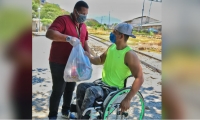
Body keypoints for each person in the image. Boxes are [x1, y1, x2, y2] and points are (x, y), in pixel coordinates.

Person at [76, 23, 144, 119]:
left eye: (114, 32)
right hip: (102, 84)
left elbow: (139, 78)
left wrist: (128, 99)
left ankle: (84, 118)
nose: (111, 34)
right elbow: (100, 60)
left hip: (113, 89)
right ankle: (80, 116)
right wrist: (89, 57)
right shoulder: (111, 48)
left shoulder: (129, 54)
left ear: (121, 36)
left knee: (91, 91)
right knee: (81, 87)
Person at [45, 1, 90, 119]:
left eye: (86, 14)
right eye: (82, 13)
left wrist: (88, 53)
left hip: (75, 64)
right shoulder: (63, 20)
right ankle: (53, 115)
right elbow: (50, 33)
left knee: (70, 88)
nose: (84, 16)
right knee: (58, 89)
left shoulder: (83, 26)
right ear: (75, 11)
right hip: (59, 62)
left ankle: (66, 111)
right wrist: (68, 38)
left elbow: (85, 41)